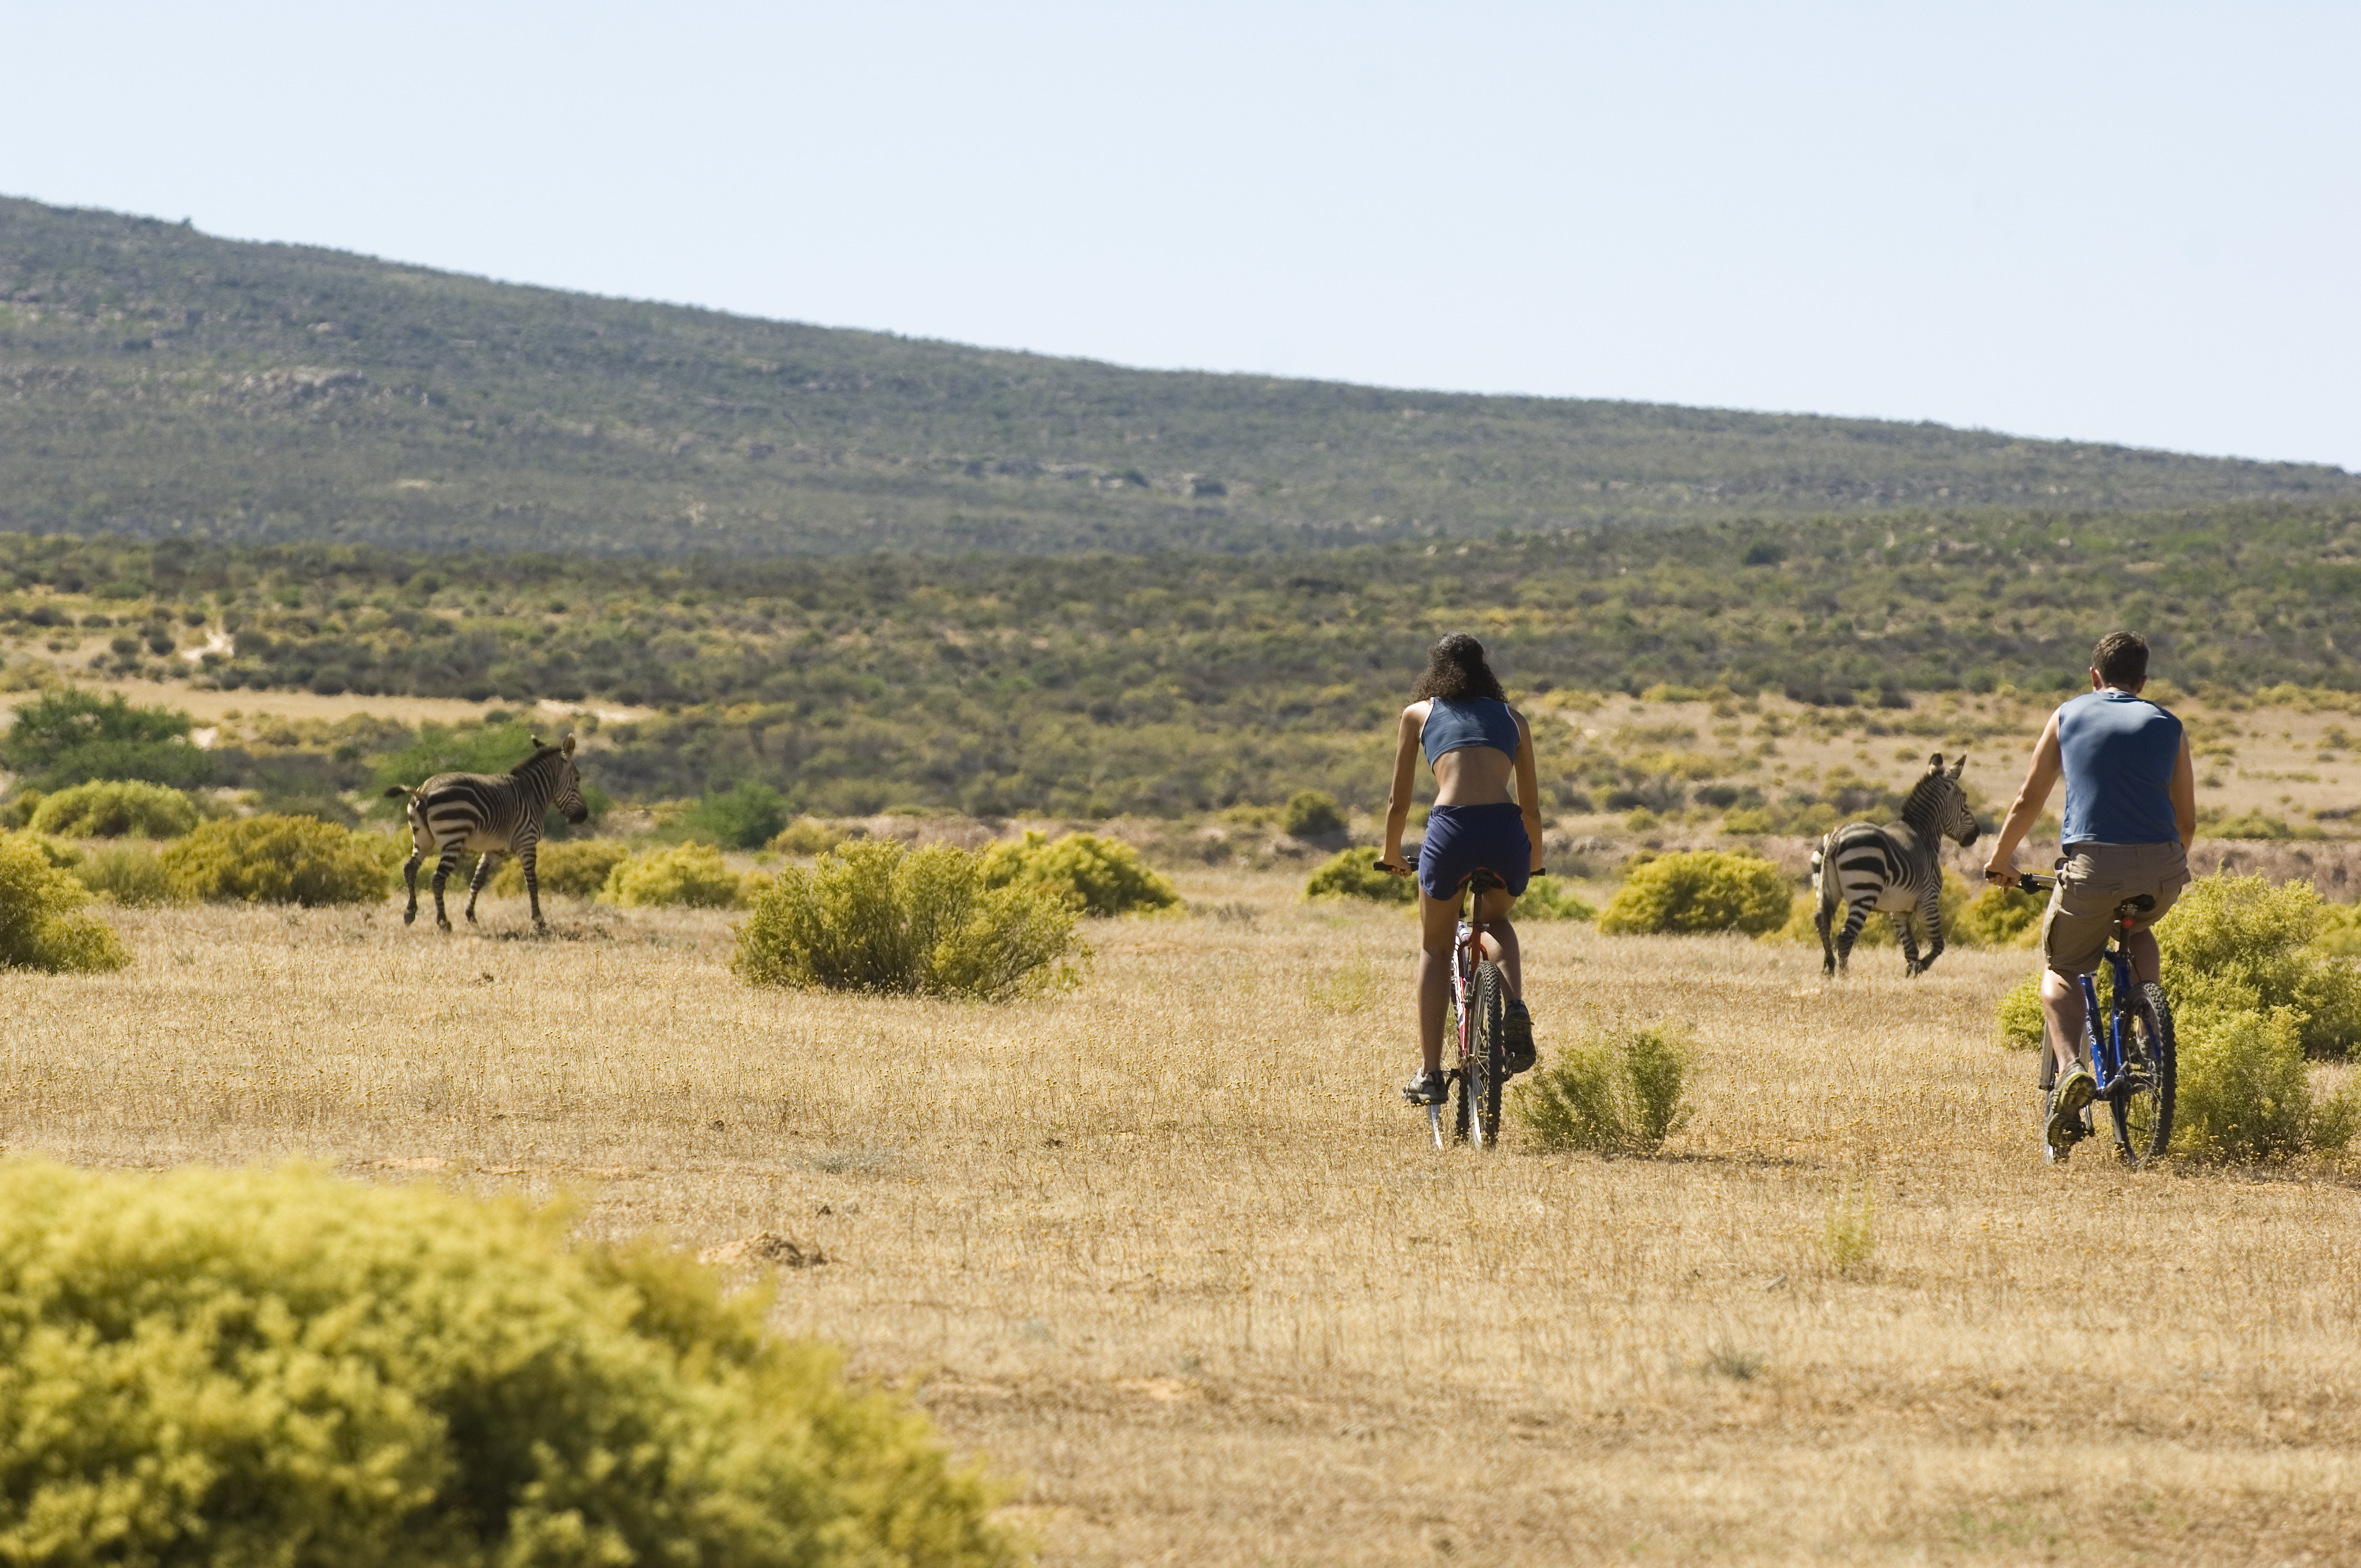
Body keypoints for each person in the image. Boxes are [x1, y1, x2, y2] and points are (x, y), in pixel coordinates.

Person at [1981, 631, 2196, 1159]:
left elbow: (2029, 798)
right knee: (2138, 928)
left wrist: (2001, 860)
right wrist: (2160, 864)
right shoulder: (2169, 725)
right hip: (2164, 867)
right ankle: (2147, 1035)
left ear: (2094, 676)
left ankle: (2072, 1070)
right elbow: (2187, 822)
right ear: (2142, 681)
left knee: (2062, 969)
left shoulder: (2068, 715)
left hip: (2093, 868)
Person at [1374, 633, 1547, 1106]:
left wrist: (1392, 854)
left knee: (1435, 945)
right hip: (1506, 831)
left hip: (1452, 830)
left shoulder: (1419, 714)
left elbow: (1398, 802)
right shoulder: (1513, 719)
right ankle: (1514, 1006)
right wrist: (1533, 861)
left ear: (1436, 669)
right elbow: (1531, 808)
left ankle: (1431, 1075)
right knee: (1496, 923)